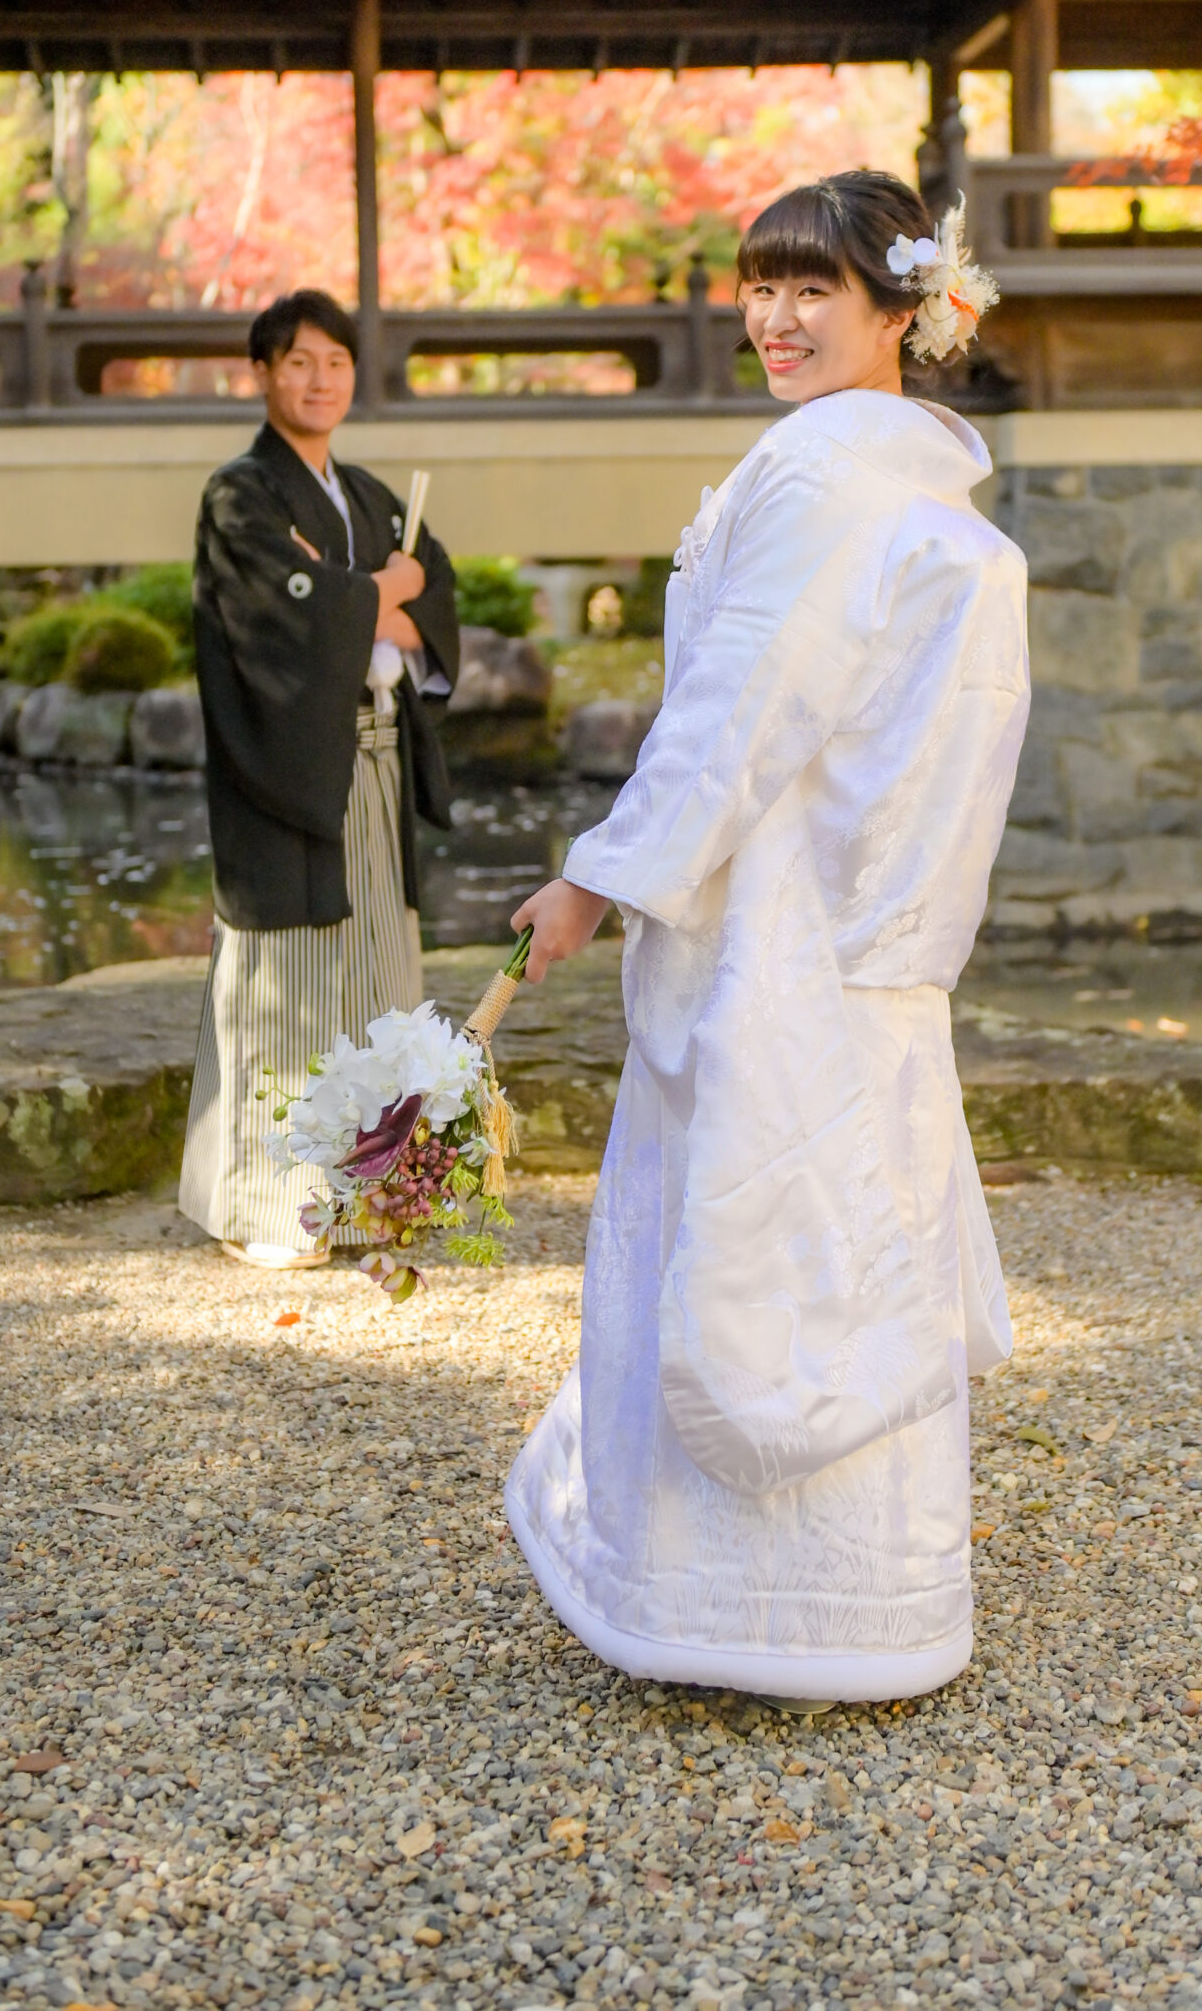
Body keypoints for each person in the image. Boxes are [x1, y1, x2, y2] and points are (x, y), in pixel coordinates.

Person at [503, 171, 1031, 1705]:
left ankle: (717, 1598)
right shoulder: (905, 474)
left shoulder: (818, 472)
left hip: (770, 932)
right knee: (838, 1235)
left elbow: (740, 705)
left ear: (897, 310)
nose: (776, 319)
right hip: (850, 934)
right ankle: (863, 1602)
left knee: (745, 1230)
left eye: (813, 289)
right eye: (758, 286)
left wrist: (598, 876)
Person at [178, 289, 459, 1267]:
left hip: (375, 763)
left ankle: (375, 1200)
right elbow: (284, 618)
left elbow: (435, 593)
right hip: (287, 770)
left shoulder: (371, 495)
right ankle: (272, 1207)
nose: (319, 379)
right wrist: (379, 593)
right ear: (261, 373)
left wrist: (364, 598)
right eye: (297, 361)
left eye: (335, 362)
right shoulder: (240, 497)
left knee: (381, 972)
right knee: (285, 984)